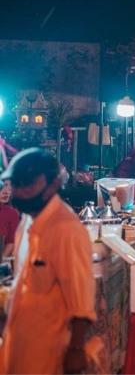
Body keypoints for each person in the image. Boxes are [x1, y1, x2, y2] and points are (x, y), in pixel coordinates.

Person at [0, 148, 95, 373]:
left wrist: (76, 349)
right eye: (15, 184)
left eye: (27, 183)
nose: (19, 191)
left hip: (49, 352)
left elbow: (81, 299)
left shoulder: (66, 229)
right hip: (21, 347)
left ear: (53, 184)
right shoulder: (26, 221)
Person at [0, 180, 19, 258]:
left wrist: (1, 259)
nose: (6, 192)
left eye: (9, 189)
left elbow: (11, 241)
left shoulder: (12, 213)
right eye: (2, 188)